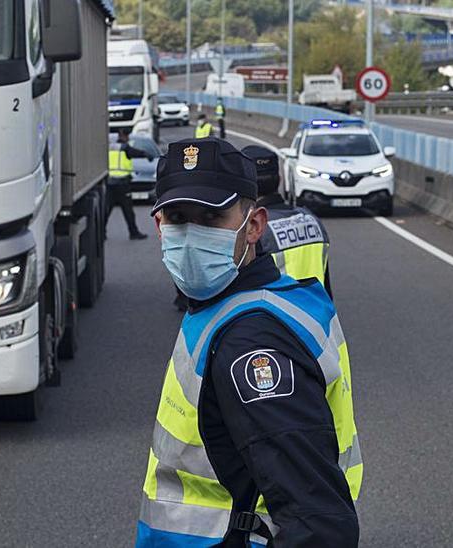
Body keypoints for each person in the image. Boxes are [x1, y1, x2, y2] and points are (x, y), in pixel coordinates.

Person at [136, 137, 362, 546]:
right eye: (177, 218)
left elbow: (319, 524)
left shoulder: (252, 343)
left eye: (210, 218)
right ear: (159, 226)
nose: (190, 234)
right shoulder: (238, 305)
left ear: (254, 225)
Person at [242, 145, 333, 297]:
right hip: (316, 314)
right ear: (279, 179)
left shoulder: (253, 231)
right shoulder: (312, 221)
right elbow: (327, 289)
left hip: (276, 317)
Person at [107, 131, 152, 240]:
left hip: (110, 183)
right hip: (122, 184)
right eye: (127, 136)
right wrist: (146, 154)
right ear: (124, 136)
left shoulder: (110, 147)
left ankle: (101, 234)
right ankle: (134, 233)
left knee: (106, 210)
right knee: (128, 211)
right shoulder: (124, 148)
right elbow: (135, 152)